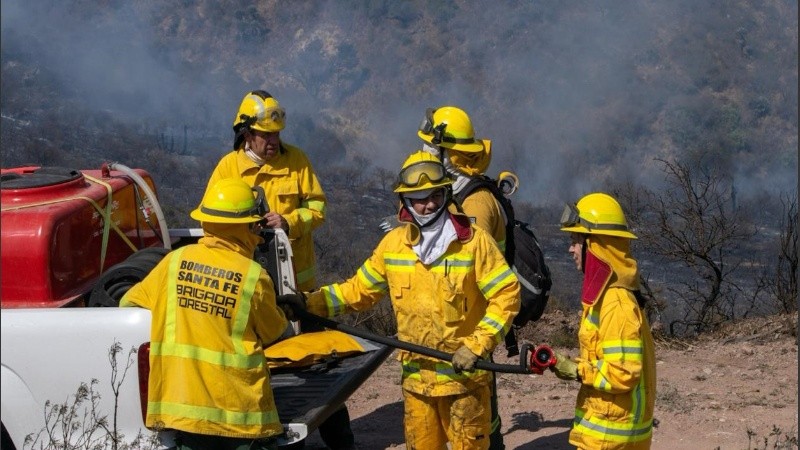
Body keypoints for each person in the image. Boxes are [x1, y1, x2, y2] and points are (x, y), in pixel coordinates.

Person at [288, 151, 521, 450]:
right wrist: (308, 303)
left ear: (447, 193)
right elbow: (357, 290)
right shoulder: (394, 246)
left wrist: (478, 345)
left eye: (435, 194)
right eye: (419, 197)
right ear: (405, 202)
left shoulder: (474, 243)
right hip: (417, 384)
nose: (429, 204)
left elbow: (506, 295)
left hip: (465, 382)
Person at [204, 90, 355, 449]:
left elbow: (317, 208)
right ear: (246, 134)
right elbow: (213, 219)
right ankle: (286, 439)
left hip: (300, 288)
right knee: (270, 368)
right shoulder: (228, 168)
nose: (274, 141)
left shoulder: (297, 161)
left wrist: (288, 221)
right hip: (252, 287)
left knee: (320, 362)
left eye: (277, 134)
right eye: (266, 135)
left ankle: (341, 442)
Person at [120, 178, 290, 450]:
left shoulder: (174, 262)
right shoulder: (253, 277)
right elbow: (276, 333)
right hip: (238, 414)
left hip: (181, 409)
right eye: (255, 224)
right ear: (245, 227)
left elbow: (129, 304)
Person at [417, 105, 507, 450]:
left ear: (445, 152)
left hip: (474, 324)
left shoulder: (475, 203)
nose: (425, 153)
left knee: (480, 410)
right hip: (454, 320)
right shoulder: (453, 194)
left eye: (430, 148)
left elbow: (475, 267)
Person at [551, 192, 656, 449]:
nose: (571, 248)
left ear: (594, 246)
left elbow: (622, 374)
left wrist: (577, 370)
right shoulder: (606, 296)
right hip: (608, 431)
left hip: (611, 437)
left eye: (576, 240)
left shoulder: (615, 302)